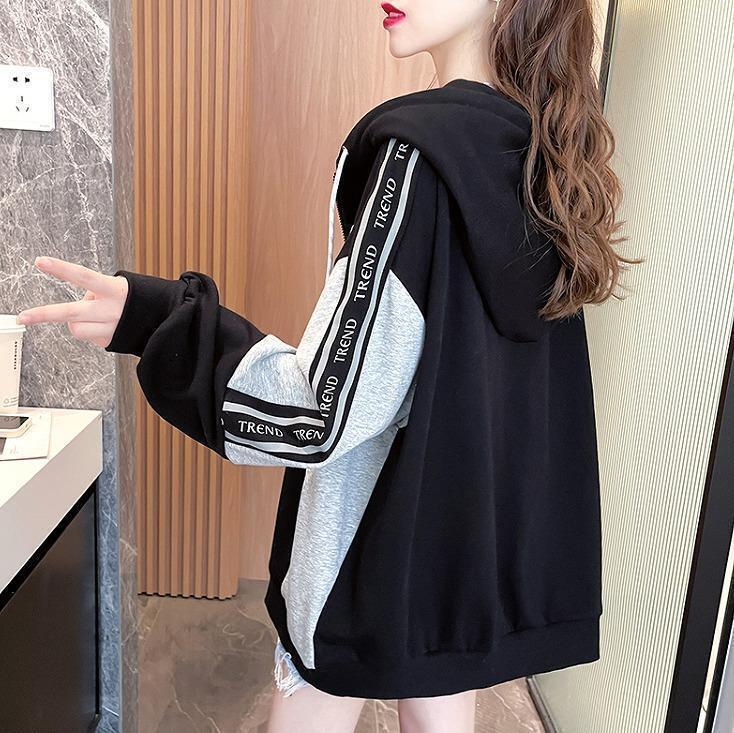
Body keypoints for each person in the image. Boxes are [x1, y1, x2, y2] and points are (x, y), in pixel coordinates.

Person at [16, 0, 638, 730]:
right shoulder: (542, 156)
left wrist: (157, 320)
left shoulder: (418, 156)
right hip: (462, 560)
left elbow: (318, 412)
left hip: (367, 556)